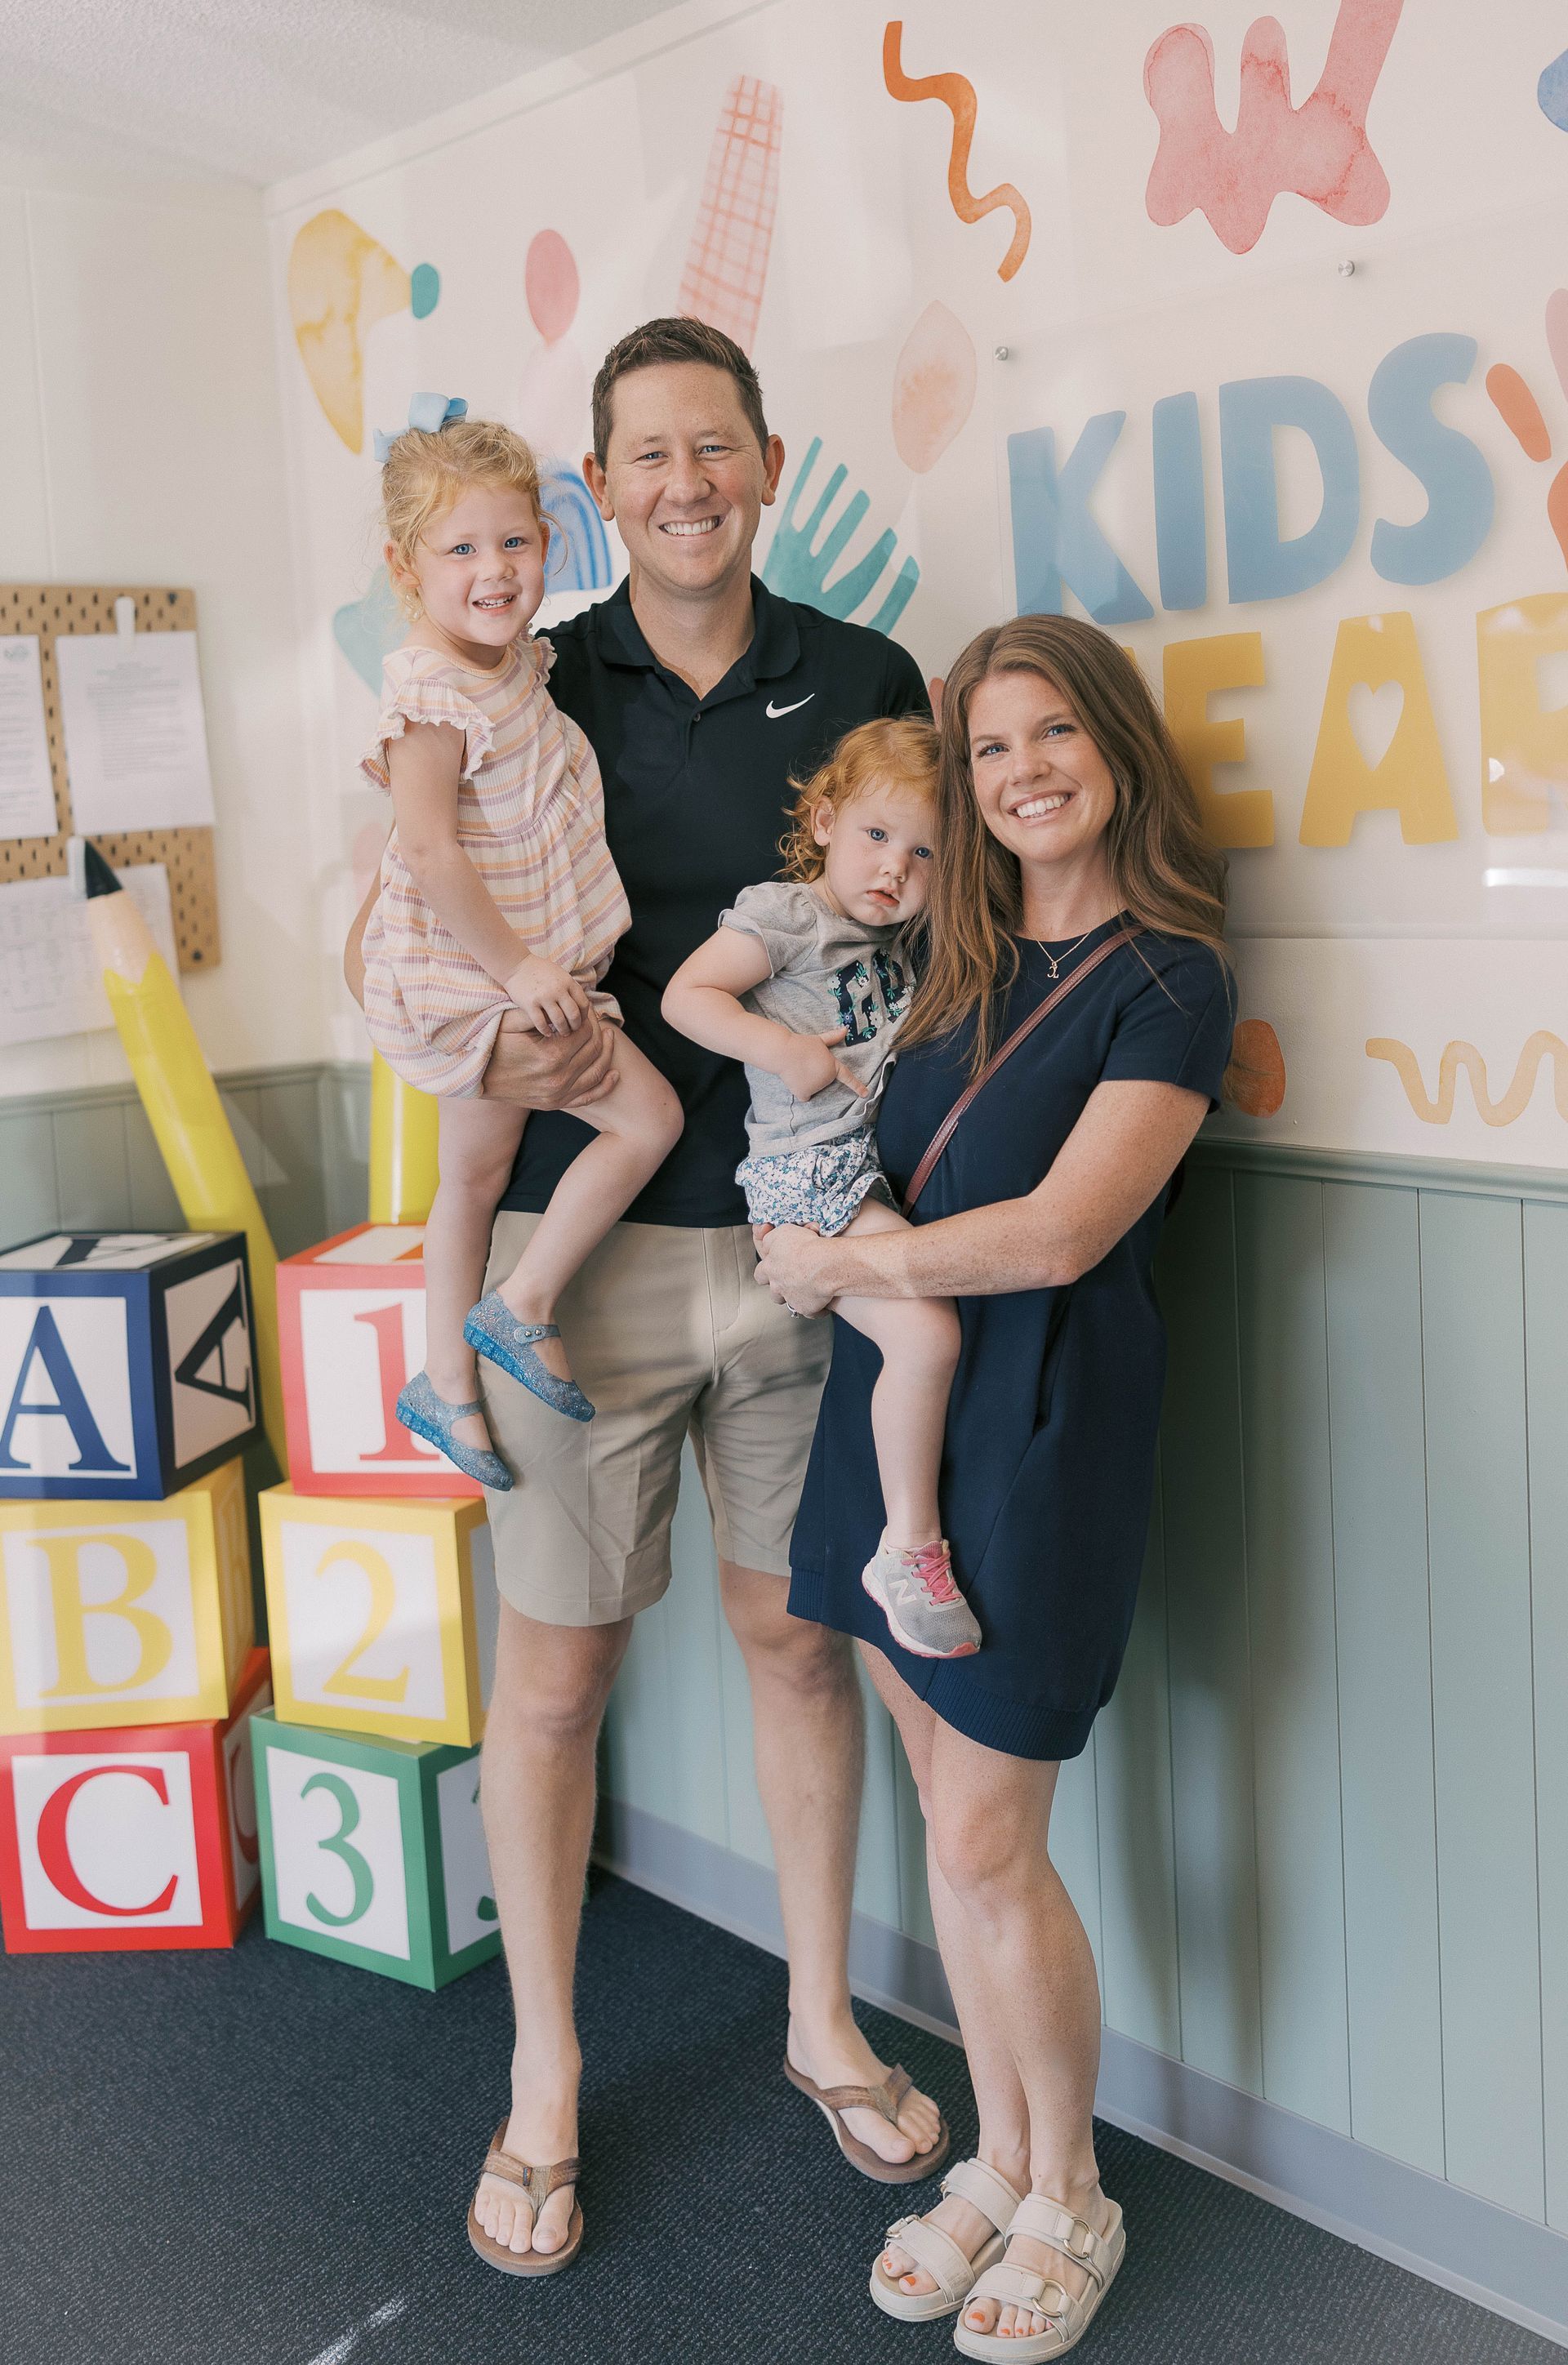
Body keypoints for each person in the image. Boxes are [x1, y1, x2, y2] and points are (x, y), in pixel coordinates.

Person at [346, 318, 947, 2274]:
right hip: (575, 1264)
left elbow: (922, 939)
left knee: (794, 1644)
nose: (682, 483)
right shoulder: (523, 659)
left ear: (768, 459)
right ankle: (541, 2076)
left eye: (717, 446)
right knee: (555, 1676)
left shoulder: (861, 679)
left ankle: (818, 2012)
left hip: (797, 1254)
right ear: (596, 489)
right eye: (644, 458)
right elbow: (417, 878)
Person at [755, 616, 1234, 2358]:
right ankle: (1009, 2160)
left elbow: (1067, 1227)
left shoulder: (1171, 974)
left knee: (983, 1834)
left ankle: (1076, 2191)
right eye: (987, 748)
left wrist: (839, 1261)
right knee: (940, 1814)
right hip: (890, 1416)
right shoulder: (937, 960)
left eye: (1052, 734)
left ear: (1112, 746)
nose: (1021, 769)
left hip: (1043, 1423)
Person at [358, 403, 682, 1485]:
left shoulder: (513, 668)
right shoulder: (436, 699)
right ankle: (522, 1302)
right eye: (461, 549)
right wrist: (522, 969)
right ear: (407, 567)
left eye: (515, 542)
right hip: (484, 978)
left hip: (494, 974)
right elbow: (430, 854)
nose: (494, 569)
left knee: (472, 1181)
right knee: (648, 1116)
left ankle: (445, 1387)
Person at [663, 715, 978, 1660]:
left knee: (923, 1338)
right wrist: (783, 1048)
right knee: (927, 1332)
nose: (896, 869)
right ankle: (908, 1546)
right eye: (879, 836)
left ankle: (906, 1539)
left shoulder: (906, 935)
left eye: (926, 853)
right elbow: (688, 997)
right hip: (809, 1176)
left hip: (864, 1167)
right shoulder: (791, 915)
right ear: (827, 819)